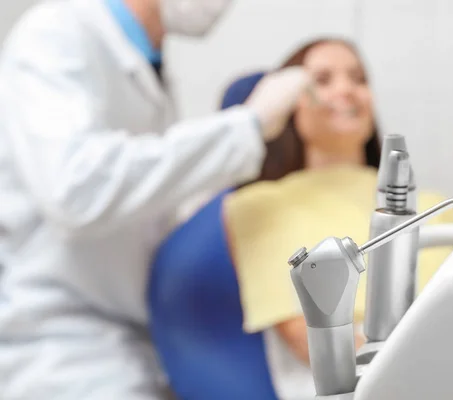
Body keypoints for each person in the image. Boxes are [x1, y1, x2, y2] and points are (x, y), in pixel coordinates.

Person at [0, 0, 313, 398]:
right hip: (62, 345)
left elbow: (139, 202)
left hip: (132, 343)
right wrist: (244, 128)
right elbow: (75, 189)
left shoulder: (149, 64)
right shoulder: (55, 33)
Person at [150, 38, 453, 399]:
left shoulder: (438, 207)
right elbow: (312, 345)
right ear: (290, 107)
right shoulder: (257, 208)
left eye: (358, 78)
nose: (346, 90)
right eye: (322, 80)